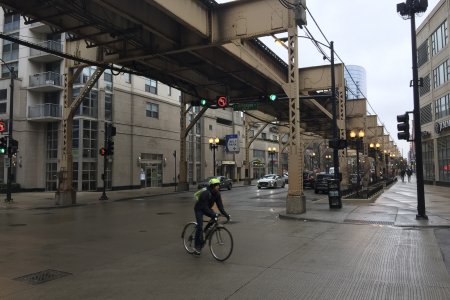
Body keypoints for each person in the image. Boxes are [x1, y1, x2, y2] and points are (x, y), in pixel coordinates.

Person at [193, 177, 230, 255]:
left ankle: (206, 230)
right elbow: (204, 207)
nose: (219, 187)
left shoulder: (217, 194)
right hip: (199, 209)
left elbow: (220, 206)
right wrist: (213, 214)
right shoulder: (205, 193)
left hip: (207, 208)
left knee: (215, 217)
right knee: (199, 226)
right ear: (213, 186)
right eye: (217, 185)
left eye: (219, 185)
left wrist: (226, 215)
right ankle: (197, 246)